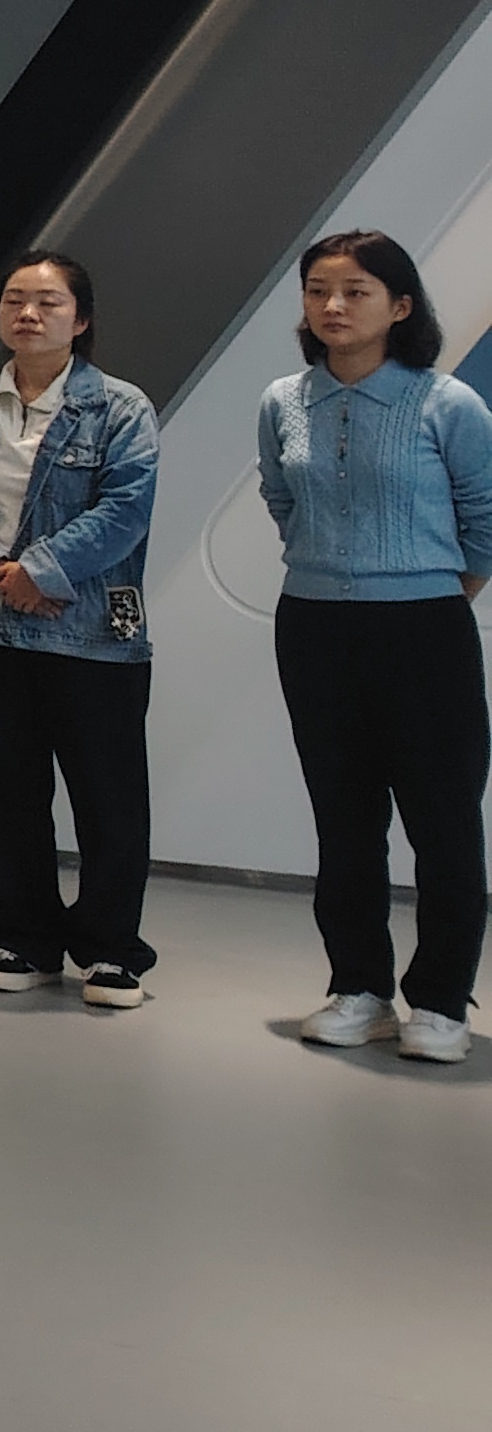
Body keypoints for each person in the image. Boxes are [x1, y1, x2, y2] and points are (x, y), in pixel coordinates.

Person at [259, 229, 492, 1064]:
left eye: (356, 291)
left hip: (424, 629)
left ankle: (440, 1002)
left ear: (399, 306)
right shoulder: (283, 400)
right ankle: (358, 987)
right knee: (344, 819)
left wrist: (428, 591)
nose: (333, 306)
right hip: (313, 626)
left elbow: (486, 516)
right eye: (318, 290)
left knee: (443, 820)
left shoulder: (446, 404)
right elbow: (281, 497)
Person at [0, 252, 163, 1005]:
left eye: (48, 302)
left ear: (80, 319)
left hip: (90, 629)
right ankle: (25, 937)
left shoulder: (121, 408)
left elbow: (125, 510)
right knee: (3, 792)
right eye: (15, 300)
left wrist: (42, 572)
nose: (28, 314)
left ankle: (112, 949)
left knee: (107, 795)